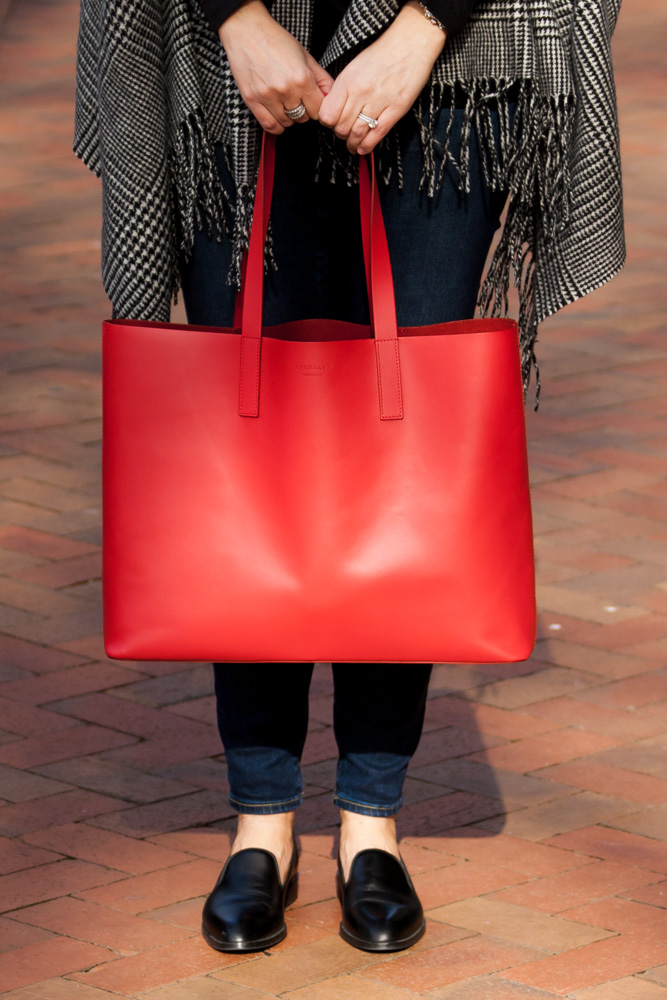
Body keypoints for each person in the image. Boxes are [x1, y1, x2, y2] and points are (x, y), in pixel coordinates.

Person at [74, 0, 625, 956]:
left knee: (401, 459)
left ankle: (371, 820)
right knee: (240, 471)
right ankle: (262, 822)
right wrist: (236, 19)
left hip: (453, 65)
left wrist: (421, 31)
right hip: (220, 63)